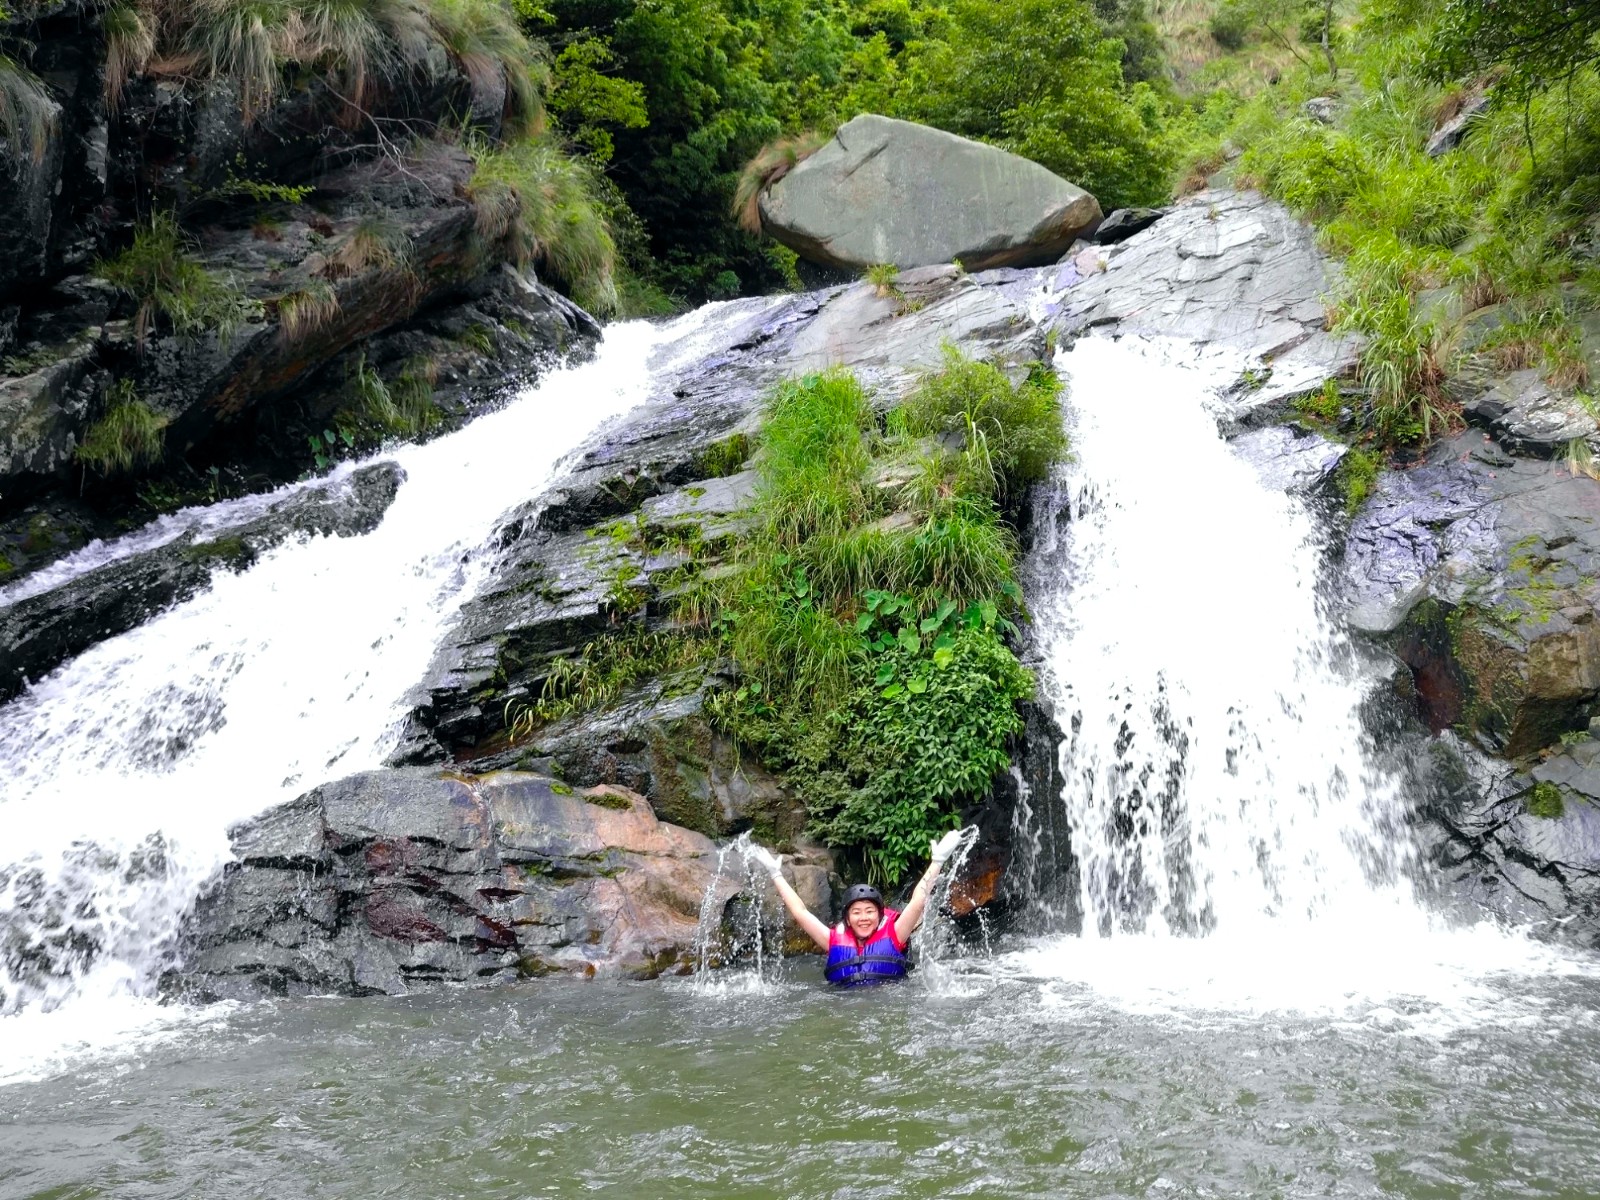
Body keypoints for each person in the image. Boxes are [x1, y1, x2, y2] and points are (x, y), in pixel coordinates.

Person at [748, 829, 966, 986]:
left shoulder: (895, 934)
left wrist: (937, 861)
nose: (863, 918)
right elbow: (800, 912)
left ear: (879, 916)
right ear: (847, 918)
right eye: (856, 912)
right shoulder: (832, 940)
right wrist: (775, 874)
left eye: (869, 911)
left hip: (888, 1005)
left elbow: (918, 902)